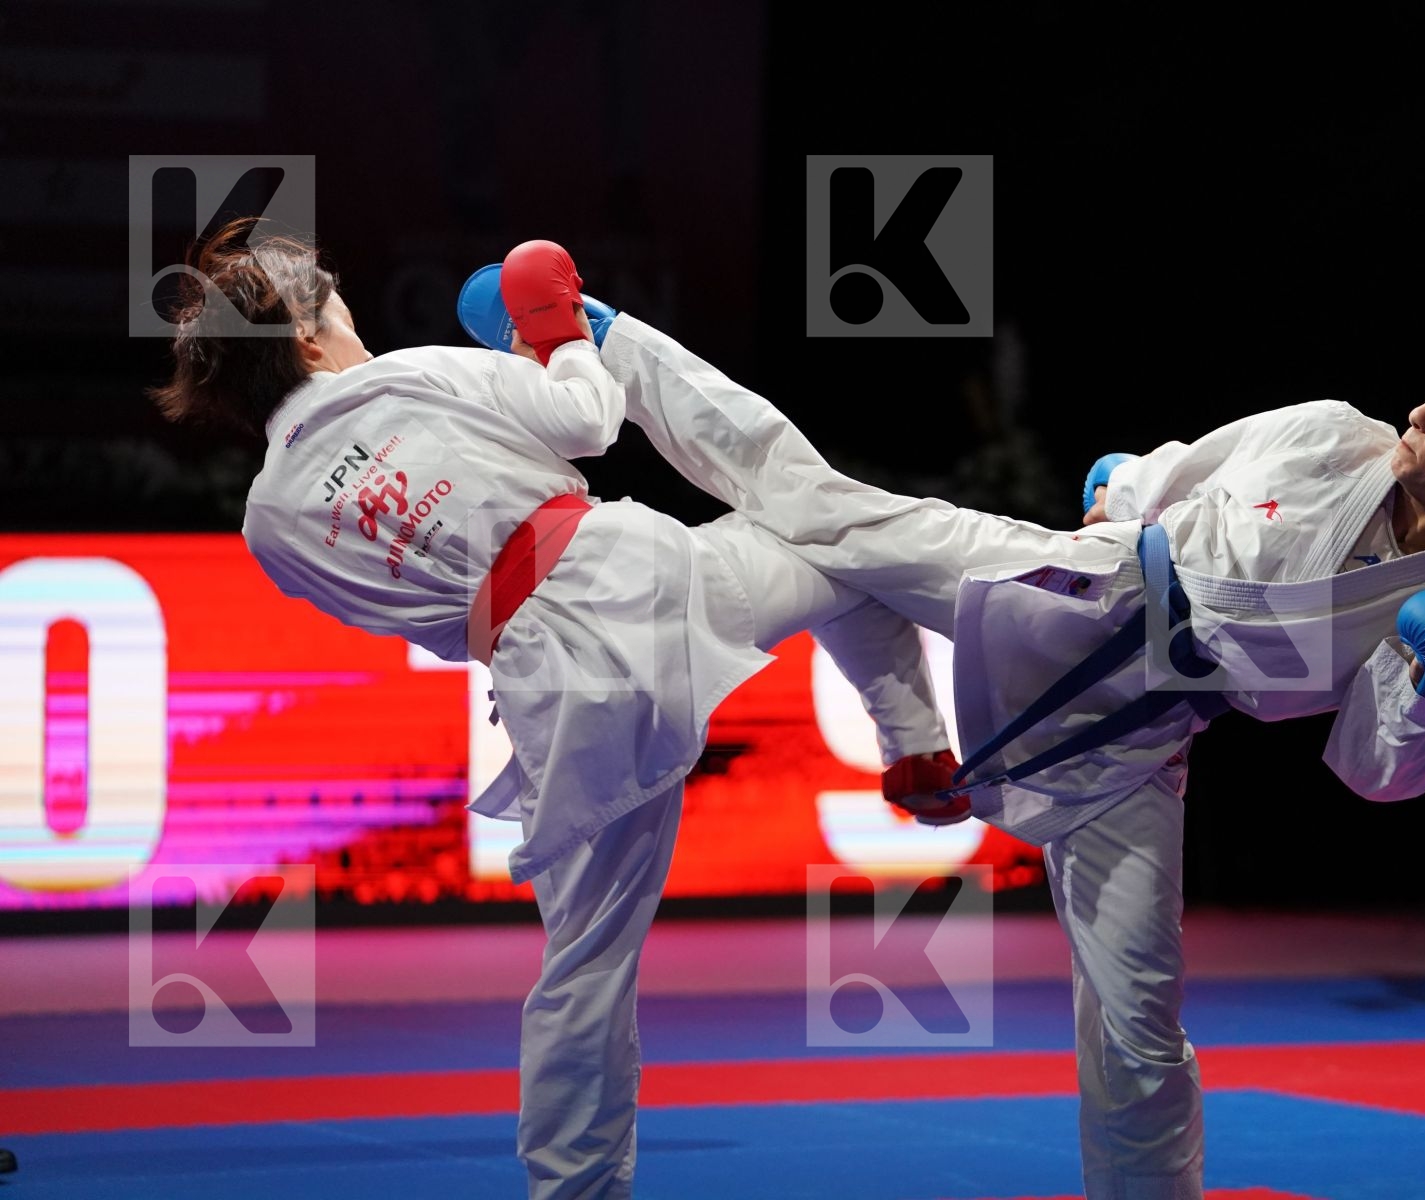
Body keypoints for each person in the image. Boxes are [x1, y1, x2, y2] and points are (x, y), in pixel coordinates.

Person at [549, 273, 1425, 1199]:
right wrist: (1123, 486)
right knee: (825, 510)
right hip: (1077, 592)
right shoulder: (1331, 432)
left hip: (1142, 739)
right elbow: (1194, 462)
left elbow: (1379, 772)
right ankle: (604, 340)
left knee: (1137, 1025)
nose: (1420, 409)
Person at [148, 222, 961, 1199]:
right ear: (311, 341)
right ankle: (918, 749)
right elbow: (587, 421)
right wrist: (558, 327)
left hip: (545, 688)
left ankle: (571, 1192)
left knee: (586, 963)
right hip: (634, 585)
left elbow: (411, 617)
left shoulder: (270, 524)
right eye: (340, 310)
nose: (354, 325)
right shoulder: (406, 376)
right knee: (837, 540)